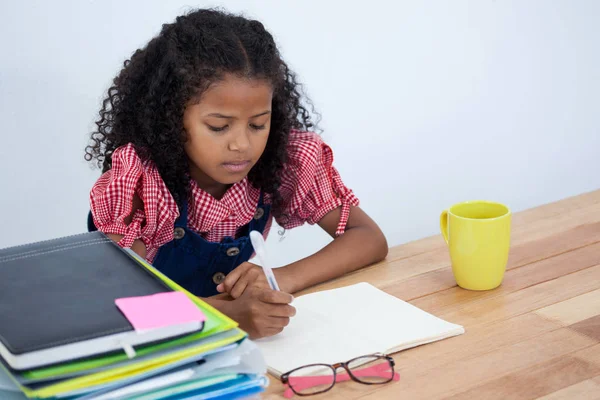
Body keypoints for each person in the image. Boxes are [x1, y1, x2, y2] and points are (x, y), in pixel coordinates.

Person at [85, 8, 388, 339]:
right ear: (170, 120)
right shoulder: (140, 183)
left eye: (258, 123)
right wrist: (226, 315)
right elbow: (120, 303)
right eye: (219, 126)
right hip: (156, 353)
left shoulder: (284, 159)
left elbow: (369, 238)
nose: (242, 145)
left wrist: (281, 278)